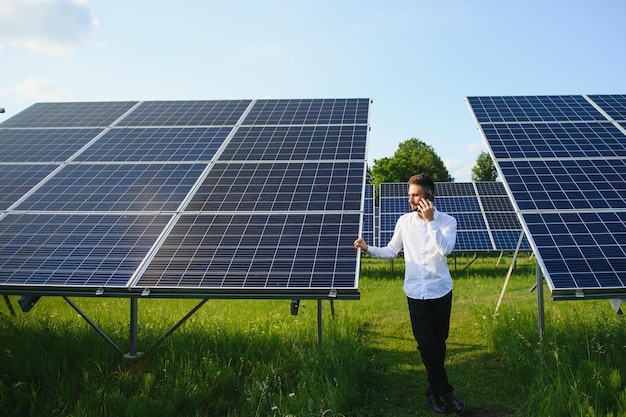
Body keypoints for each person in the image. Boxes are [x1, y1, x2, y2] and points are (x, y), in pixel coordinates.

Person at [353, 174, 466, 414]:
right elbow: (392, 251)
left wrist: (430, 222)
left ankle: (432, 393)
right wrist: (368, 248)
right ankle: (446, 390)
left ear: (428, 195)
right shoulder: (404, 221)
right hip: (415, 293)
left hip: (441, 291)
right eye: (410, 195)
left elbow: (445, 250)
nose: (411, 199)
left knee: (439, 344)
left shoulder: (447, 222)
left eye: (415, 195)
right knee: (426, 345)